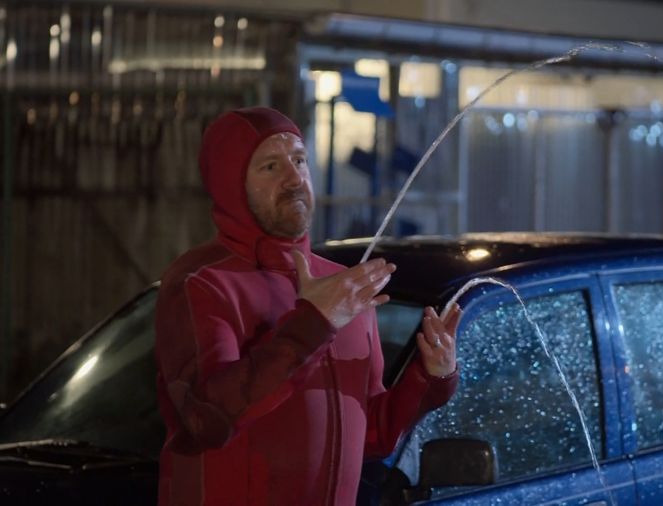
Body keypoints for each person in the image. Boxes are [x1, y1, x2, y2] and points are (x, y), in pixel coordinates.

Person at [154, 107, 460, 505]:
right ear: (232, 184)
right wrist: (313, 324)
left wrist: (430, 377)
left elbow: (371, 435)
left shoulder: (342, 286)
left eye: (300, 160)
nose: (295, 178)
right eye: (270, 166)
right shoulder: (202, 283)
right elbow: (206, 418)